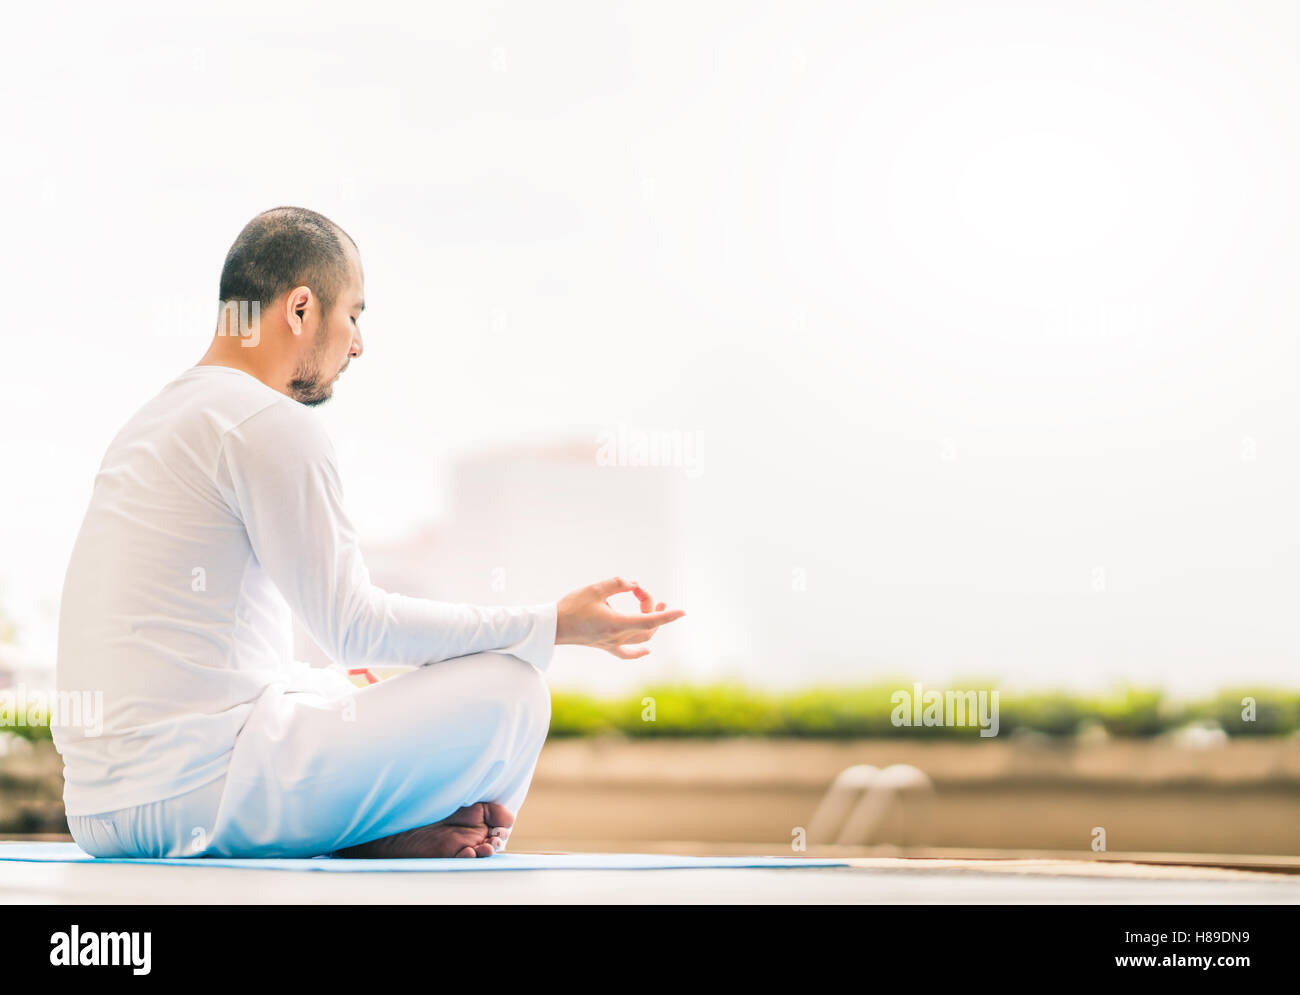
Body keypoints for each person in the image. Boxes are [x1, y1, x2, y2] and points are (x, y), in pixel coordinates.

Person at [50, 206, 685, 859]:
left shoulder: (152, 423)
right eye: (353, 314)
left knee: (351, 682)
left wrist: (349, 685)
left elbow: (227, 664)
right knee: (514, 689)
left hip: (100, 811)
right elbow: (354, 624)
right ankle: (423, 833)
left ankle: (392, 835)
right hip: (202, 790)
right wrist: (552, 623)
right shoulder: (267, 422)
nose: (357, 344)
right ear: (301, 309)